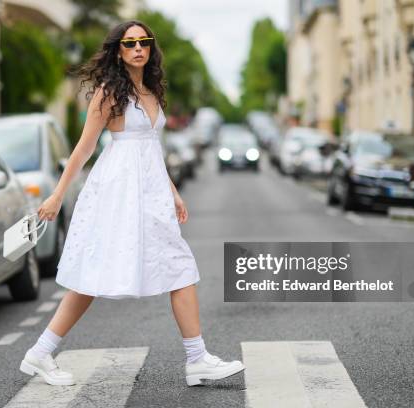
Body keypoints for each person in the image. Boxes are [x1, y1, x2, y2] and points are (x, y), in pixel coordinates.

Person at [19, 20, 245, 387]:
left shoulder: (152, 91)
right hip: (118, 191)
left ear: (151, 48)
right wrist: (58, 194)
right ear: (118, 51)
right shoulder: (110, 92)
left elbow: (152, 149)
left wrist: (172, 190)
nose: (138, 48)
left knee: (179, 266)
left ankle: (197, 357)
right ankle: (40, 352)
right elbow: (85, 147)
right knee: (92, 275)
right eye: (130, 43)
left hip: (151, 192)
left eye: (144, 41)